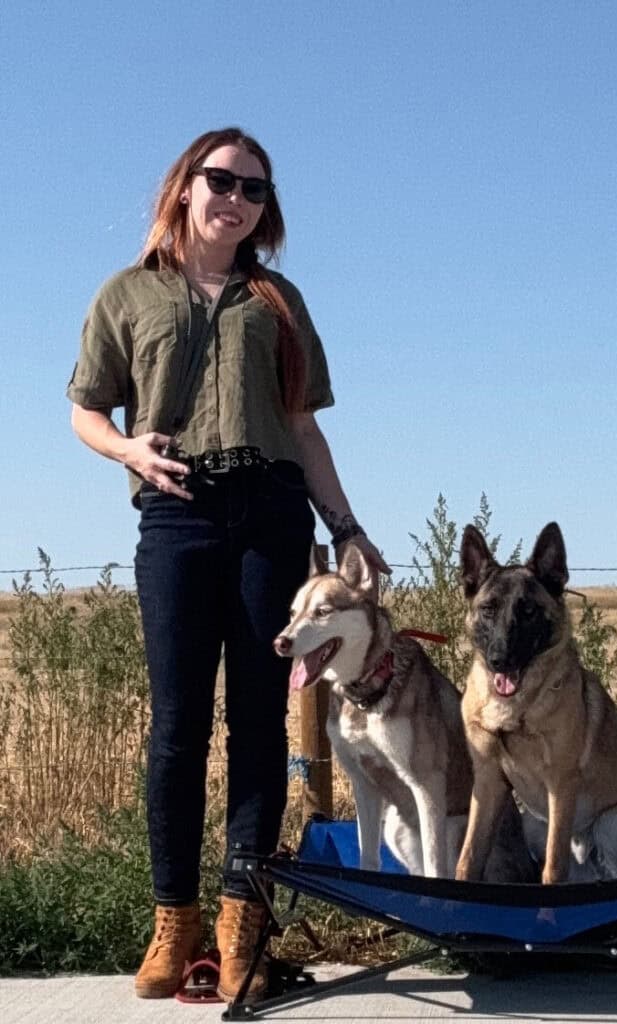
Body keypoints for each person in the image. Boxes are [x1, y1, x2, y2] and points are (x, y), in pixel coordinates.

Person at [67, 127, 389, 1003]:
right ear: (185, 188)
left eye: (254, 190)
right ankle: (173, 920)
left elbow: (307, 428)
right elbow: (85, 410)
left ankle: (242, 912)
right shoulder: (127, 294)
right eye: (222, 181)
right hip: (176, 517)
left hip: (270, 515)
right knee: (177, 724)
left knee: (259, 719)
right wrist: (130, 452)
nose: (236, 199)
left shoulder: (277, 300)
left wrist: (348, 526)